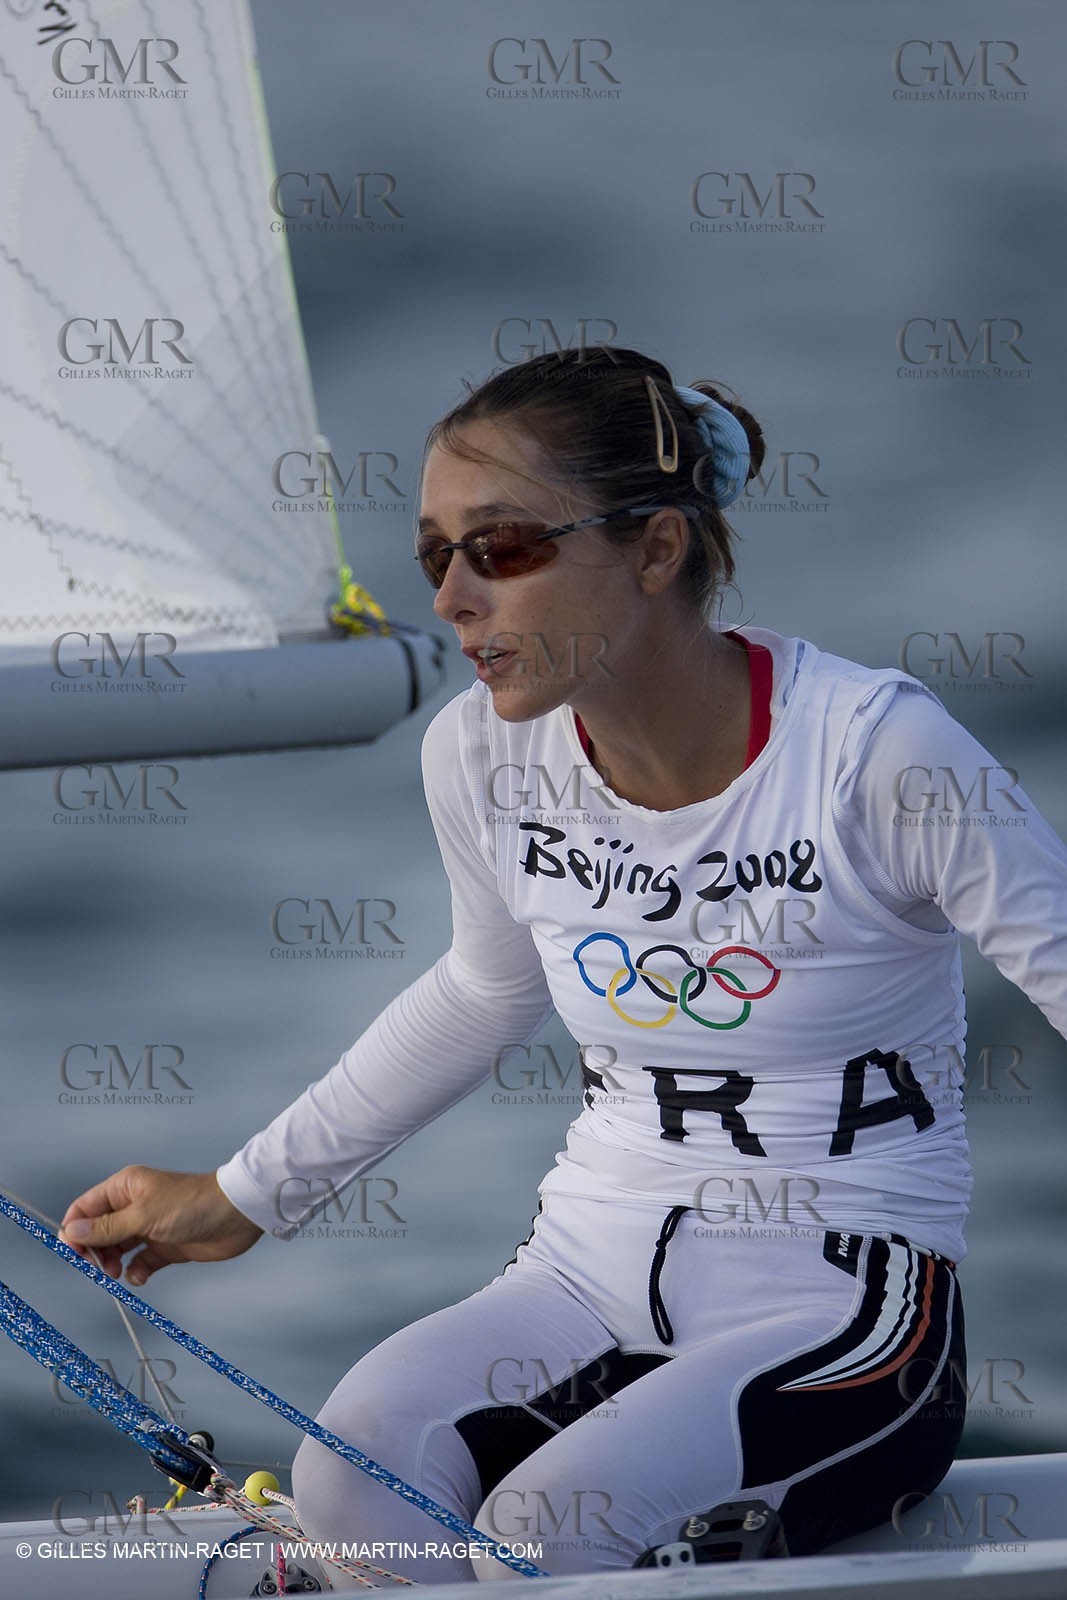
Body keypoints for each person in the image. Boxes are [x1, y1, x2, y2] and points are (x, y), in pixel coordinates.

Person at [60, 347, 1067, 1583]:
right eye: (435, 556)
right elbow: (481, 994)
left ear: (655, 550)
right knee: (349, 1478)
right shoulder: (479, 756)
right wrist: (243, 1194)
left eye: (499, 548)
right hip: (586, 1275)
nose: (451, 598)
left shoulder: (879, 752)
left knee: (545, 1528)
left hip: (842, 1313)